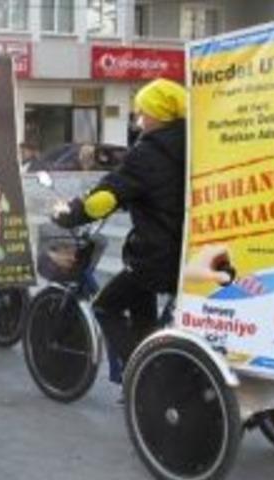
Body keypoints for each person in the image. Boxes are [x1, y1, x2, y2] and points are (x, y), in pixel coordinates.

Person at [52, 78, 189, 390]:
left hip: (156, 256)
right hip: (185, 252)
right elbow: (162, 192)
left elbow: (106, 197)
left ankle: (142, 378)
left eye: (143, 112)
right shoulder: (190, 145)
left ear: (158, 115)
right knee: (143, 314)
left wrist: (71, 214)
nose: (139, 119)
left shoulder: (148, 153)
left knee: (105, 305)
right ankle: (150, 366)